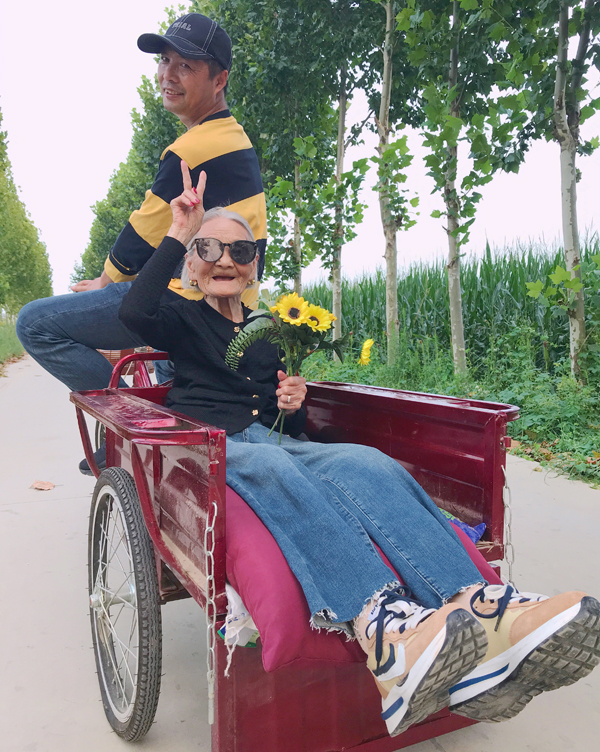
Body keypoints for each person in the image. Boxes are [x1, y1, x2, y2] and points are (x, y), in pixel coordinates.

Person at [118, 163, 600, 737]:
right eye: (209, 248)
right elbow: (133, 313)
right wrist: (179, 229)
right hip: (213, 447)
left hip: (276, 440)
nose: (225, 259)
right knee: (269, 464)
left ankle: (482, 606)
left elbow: (288, 427)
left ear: (254, 265)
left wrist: (293, 403)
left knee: (366, 461)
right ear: (192, 265)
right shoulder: (180, 316)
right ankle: (384, 627)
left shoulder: (272, 329)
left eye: (240, 250)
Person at [15, 13, 267, 474]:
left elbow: (144, 231)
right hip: (229, 299)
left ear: (219, 80)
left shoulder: (194, 148)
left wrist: (105, 280)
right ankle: (157, 428)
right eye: (165, 61)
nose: (168, 75)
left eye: (185, 66)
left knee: (35, 325)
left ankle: (131, 425)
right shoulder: (233, 139)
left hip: (190, 298)